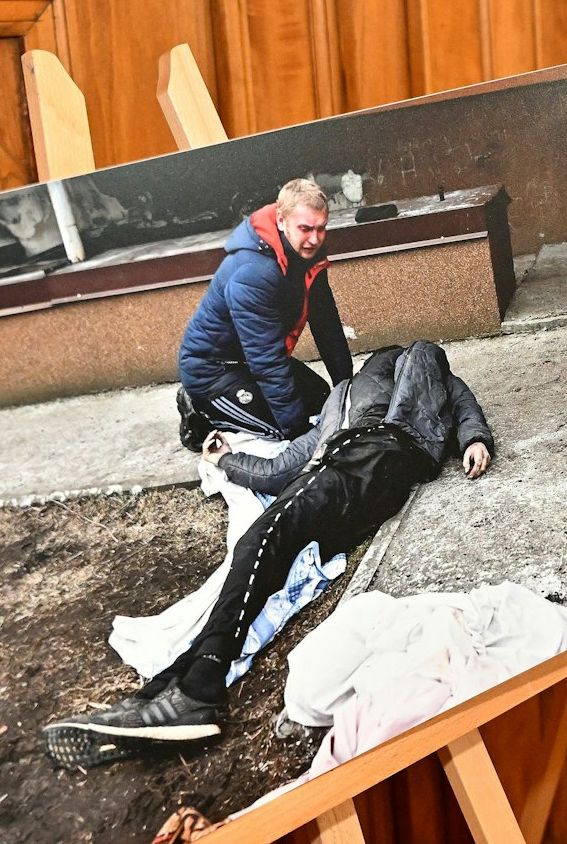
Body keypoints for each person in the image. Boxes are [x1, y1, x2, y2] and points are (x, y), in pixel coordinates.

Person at [43, 340, 493, 768]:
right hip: (336, 467)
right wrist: (224, 462)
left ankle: (196, 690)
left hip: (385, 451)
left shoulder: (420, 361)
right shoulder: (338, 401)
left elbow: (460, 398)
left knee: (263, 539)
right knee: (263, 551)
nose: (370, 363)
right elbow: (282, 468)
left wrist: (475, 439)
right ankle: (169, 689)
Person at [176, 179, 358, 449]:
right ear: (282, 221)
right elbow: (267, 362)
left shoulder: (308, 252)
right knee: (286, 433)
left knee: (321, 399)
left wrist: (348, 392)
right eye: (305, 228)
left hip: (248, 359)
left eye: (321, 228)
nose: (314, 239)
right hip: (213, 371)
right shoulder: (254, 272)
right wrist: (298, 435)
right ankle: (203, 412)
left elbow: (326, 325)